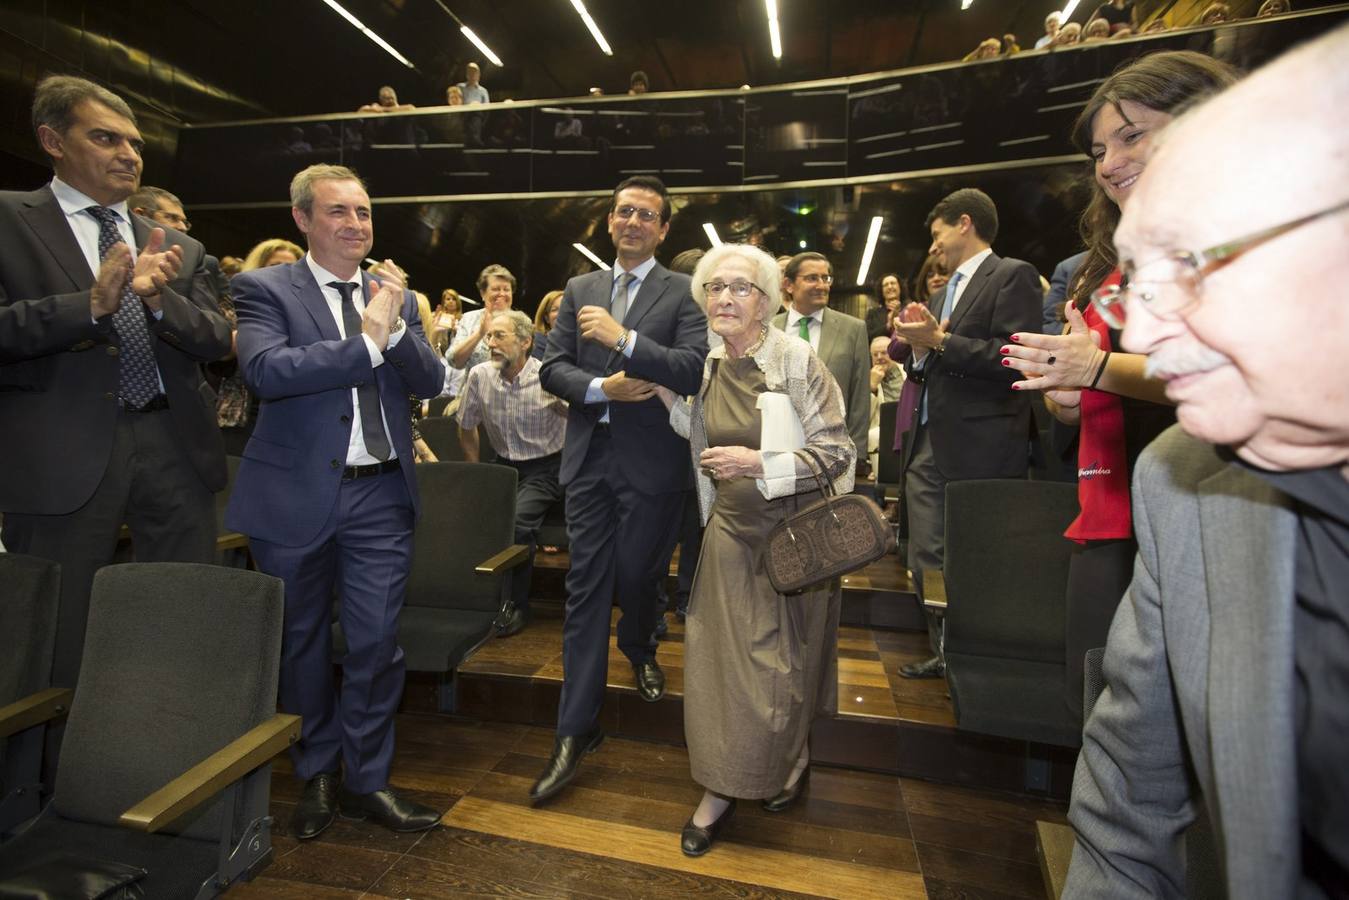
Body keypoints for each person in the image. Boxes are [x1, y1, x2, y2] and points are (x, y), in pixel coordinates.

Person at [1063, 25, 1349, 896]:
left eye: (1189, 263)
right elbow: (1124, 803)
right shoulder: (1181, 484)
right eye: (1138, 279)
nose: (1141, 334)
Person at [1000, 52, 1239, 724]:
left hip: (1218, 513)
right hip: (1110, 511)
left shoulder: (1249, 236)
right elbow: (1083, 387)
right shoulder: (1108, 266)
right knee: (1101, 708)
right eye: (1098, 149)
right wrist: (1068, 394)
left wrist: (1097, 370)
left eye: (1131, 135)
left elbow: (1221, 368)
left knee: (1198, 733)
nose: (1107, 164)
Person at [225, 164, 445, 840]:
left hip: (379, 494)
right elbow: (267, 371)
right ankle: (316, 769)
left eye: (363, 213)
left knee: (377, 642)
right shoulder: (264, 289)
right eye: (338, 212)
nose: (355, 225)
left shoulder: (394, 296)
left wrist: (396, 325)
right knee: (300, 643)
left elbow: (431, 380)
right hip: (291, 496)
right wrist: (366, 342)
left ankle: (367, 780)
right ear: (302, 219)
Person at [0, 75, 230, 687]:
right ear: (52, 139)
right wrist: (91, 305)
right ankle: (47, 779)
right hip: (60, 455)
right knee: (53, 637)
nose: (128, 154)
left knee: (178, 617)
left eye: (135, 143)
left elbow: (215, 340)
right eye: (105, 138)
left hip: (175, 446)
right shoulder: (7, 220)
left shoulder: (178, 244)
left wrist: (158, 304)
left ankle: (170, 762)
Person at [657, 243, 854, 857]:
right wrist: (664, 398)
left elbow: (839, 454)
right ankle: (721, 789)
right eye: (715, 288)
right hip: (729, 536)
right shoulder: (713, 361)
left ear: (767, 301)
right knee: (722, 668)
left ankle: (790, 762)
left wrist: (758, 462)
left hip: (795, 542)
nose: (724, 298)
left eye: (740, 288)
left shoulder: (795, 360)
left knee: (782, 668)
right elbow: (704, 434)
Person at [535, 175, 707, 804]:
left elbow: (692, 367)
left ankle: (640, 641)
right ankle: (574, 731)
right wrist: (598, 387)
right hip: (588, 462)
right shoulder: (578, 288)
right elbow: (551, 367)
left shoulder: (685, 292)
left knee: (637, 576)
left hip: (654, 468)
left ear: (663, 231)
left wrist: (625, 341)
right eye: (623, 212)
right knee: (584, 591)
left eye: (647, 216)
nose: (633, 222)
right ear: (610, 222)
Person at [892, 188, 1041, 679]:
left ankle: (979, 658)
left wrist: (940, 340)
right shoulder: (938, 294)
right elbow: (925, 370)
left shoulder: (1011, 275)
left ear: (963, 223)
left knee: (978, 552)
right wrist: (919, 350)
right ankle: (945, 648)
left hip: (985, 439)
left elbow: (1014, 356)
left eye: (936, 233)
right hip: (930, 437)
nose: (932, 245)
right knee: (924, 553)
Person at [457, 309, 568, 637]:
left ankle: (516, 605)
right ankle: (475, 597)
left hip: (548, 466)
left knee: (517, 522)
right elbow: (465, 428)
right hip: (503, 466)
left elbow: (581, 423)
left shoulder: (548, 377)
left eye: (499, 336)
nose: (491, 343)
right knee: (474, 519)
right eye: (489, 336)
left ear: (525, 342)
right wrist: (476, 474)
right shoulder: (479, 375)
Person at [772, 252, 870, 475]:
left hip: (834, 453)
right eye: (812, 278)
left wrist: (858, 455)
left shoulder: (853, 329)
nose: (822, 285)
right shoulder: (770, 329)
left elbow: (860, 397)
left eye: (826, 278)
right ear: (788, 284)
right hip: (779, 450)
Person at [215, 237, 305, 454]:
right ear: (258, 268)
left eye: (292, 267)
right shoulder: (234, 304)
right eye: (275, 266)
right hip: (241, 417)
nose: (284, 272)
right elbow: (218, 356)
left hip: (295, 419)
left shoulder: (307, 310)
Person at [445, 264, 516, 400]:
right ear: (483, 293)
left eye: (506, 289)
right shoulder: (469, 318)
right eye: (495, 289)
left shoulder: (521, 322)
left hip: (511, 400)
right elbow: (454, 361)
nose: (502, 293)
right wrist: (479, 333)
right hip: (473, 399)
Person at [531, 288, 563, 360]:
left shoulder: (580, 340)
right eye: (555, 310)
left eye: (564, 308)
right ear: (546, 318)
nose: (561, 313)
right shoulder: (538, 342)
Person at [430, 287, 461, 356]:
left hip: (456, 354)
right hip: (438, 353)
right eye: (448, 299)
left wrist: (456, 330)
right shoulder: (436, 316)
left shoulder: (464, 318)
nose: (451, 301)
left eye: (454, 299)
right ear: (443, 302)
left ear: (458, 302)